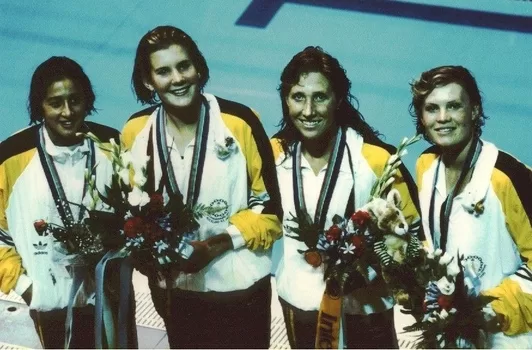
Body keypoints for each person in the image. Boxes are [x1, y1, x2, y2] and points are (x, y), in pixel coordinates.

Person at [121, 25, 282, 349]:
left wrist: (216, 245)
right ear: (148, 81)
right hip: (175, 290)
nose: (177, 78)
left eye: (184, 66)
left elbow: (271, 209)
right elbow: (131, 208)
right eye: (163, 71)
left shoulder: (239, 122)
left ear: (199, 68)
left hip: (240, 289)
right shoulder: (136, 131)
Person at [271, 46, 422, 349]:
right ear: (286, 100)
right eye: (298, 97)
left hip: (364, 311)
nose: (309, 110)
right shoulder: (274, 155)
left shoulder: (375, 159)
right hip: (298, 303)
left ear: (338, 99)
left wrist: (374, 263)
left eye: (320, 97)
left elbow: (414, 238)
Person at [0, 57, 136, 348]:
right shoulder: (11, 155)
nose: (67, 112)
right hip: (51, 302)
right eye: (55, 103)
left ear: (87, 100)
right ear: (40, 107)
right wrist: (26, 287)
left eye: (75, 100)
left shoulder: (111, 145)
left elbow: (136, 214)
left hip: (107, 297)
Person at [411, 65, 532, 348]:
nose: (443, 118)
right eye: (432, 108)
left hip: (509, 337)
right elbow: (433, 240)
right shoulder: (425, 166)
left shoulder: (511, 178)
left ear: (475, 111)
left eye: (454, 106)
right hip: (449, 332)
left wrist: (493, 311)